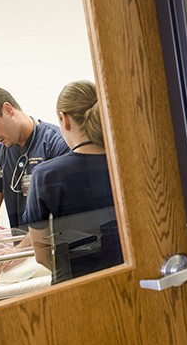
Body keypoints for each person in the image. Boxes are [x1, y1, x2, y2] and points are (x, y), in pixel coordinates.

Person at [0, 86, 71, 285]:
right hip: (22, 251)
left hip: (55, 253)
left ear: (8, 110)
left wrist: (23, 248)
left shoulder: (56, 144)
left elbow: (59, 213)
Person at [24, 80, 122, 283]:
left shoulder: (46, 175)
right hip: (130, 278)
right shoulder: (126, 165)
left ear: (64, 119)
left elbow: (41, 256)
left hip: (75, 287)